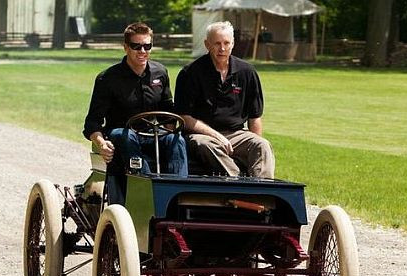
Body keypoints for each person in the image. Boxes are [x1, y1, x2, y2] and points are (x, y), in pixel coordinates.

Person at [83, 22, 188, 203]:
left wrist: (170, 130)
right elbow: (92, 122)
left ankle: (178, 195)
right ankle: (144, 195)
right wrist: (101, 144)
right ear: (125, 47)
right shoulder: (107, 78)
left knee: (176, 140)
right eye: (136, 46)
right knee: (126, 135)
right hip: (121, 135)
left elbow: (168, 110)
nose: (142, 51)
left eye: (147, 46)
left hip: (153, 133)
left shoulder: (160, 72)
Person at [174, 21, 274, 179]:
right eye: (217, 44)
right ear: (207, 44)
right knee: (204, 144)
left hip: (237, 133)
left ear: (233, 44)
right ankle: (239, 181)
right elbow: (185, 118)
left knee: (262, 145)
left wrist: (254, 141)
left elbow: (255, 117)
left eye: (226, 43)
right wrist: (216, 136)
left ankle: (264, 193)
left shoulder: (247, 72)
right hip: (202, 135)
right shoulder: (190, 73)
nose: (222, 49)